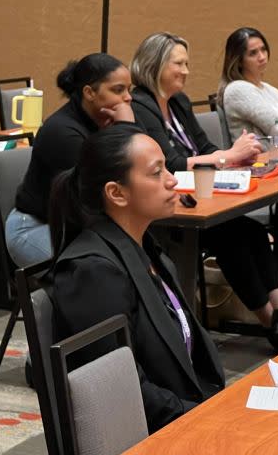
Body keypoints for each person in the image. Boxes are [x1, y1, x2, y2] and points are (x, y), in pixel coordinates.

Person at [48, 125, 224, 432]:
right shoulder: (93, 272)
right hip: (148, 439)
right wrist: (200, 419)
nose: (172, 180)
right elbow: (119, 389)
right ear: (116, 193)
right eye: (156, 173)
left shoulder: (147, 249)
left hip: (185, 414)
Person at [130, 32, 278, 329]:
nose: (186, 71)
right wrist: (227, 156)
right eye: (179, 63)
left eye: (187, 63)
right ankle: (269, 322)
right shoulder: (141, 106)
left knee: (251, 231)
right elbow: (171, 165)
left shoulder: (178, 102)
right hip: (171, 211)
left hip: (202, 196)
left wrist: (237, 157)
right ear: (155, 65)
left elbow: (205, 148)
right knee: (231, 237)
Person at [7, 53, 134, 267]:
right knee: (101, 267)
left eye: (129, 90)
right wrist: (126, 130)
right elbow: (103, 187)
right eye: (118, 90)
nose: (128, 98)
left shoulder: (106, 122)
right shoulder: (62, 132)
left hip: (75, 224)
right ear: (89, 92)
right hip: (35, 227)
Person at [218, 26, 278, 144]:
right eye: (253, 53)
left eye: (263, 49)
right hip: (258, 160)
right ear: (239, 61)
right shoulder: (237, 89)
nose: (262, 57)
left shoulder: (271, 90)